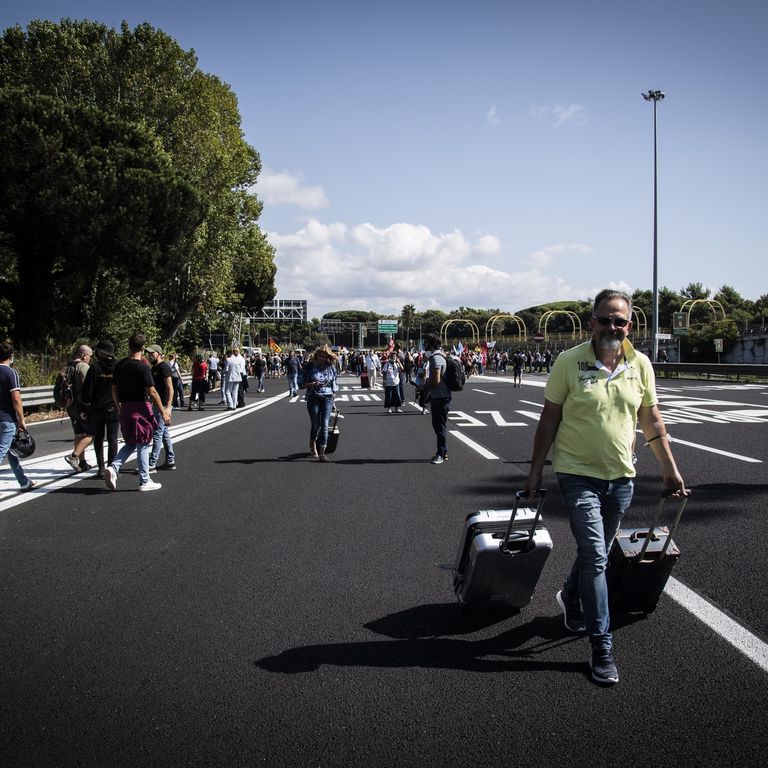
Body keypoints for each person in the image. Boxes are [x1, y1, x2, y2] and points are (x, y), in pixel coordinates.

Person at [524, 289, 688, 686]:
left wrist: (670, 470)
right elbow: (549, 420)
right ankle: (602, 647)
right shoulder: (568, 361)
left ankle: (570, 595)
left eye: (620, 321)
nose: (612, 327)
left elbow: (651, 420)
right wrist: (535, 472)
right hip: (576, 474)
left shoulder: (640, 364)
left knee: (593, 551)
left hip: (622, 478)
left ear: (629, 325)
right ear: (591, 322)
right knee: (597, 557)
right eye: (605, 319)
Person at [104, 333, 170, 492]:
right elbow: (152, 391)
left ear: (129, 346)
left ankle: (114, 467)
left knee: (131, 442)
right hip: (141, 407)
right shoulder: (143, 367)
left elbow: (114, 389)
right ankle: (144, 480)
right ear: (142, 348)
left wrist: (119, 406)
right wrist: (163, 412)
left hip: (125, 408)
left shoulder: (120, 365)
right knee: (144, 443)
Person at [81, 340, 119, 479]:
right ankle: (112, 468)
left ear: (102, 353)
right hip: (114, 407)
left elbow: (87, 390)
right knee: (113, 439)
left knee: (98, 438)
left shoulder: (95, 367)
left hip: (97, 408)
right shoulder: (118, 366)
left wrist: (85, 407)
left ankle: (101, 468)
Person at [0, 342, 35, 491]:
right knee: (2, 450)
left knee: (12, 451)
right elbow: (16, 399)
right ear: (11, 356)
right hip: (7, 419)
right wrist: (22, 420)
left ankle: (24, 482)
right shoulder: (10, 372)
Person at [416, 334, 451, 464]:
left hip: (440, 397)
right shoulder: (440, 356)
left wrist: (423, 387)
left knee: (439, 427)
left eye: (426, 342)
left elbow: (436, 380)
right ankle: (443, 452)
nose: (424, 344)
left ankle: (441, 454)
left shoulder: (436, 358)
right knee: (439, 426)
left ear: (431, 344)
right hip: (441, 396)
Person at [300, 346, 338, 462]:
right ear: (317, 356)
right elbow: (301, 384)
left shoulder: (331, 367)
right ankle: (312, 443)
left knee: (325, 424)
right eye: (321, 356)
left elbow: (334, 384)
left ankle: (322, 453)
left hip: (328, 397)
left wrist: (334, 401)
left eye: (325, 357)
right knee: (315, 425)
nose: (323, 359)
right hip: (314, 397)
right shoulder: (309, 367)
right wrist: (313, 384)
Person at [145, 345, 177, 472]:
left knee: (157, 433)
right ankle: (170, 460)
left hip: (163, 405)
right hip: (157, 404)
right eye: (148, 354)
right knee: (164, 433)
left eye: (151, 353)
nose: (149, 356)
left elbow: (170, 388)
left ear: (158, 354)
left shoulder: (164, 367)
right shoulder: (154, 368)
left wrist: (168, 407)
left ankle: (151, 464)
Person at [64, 343, 94, 472]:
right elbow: (89, 386)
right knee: (92, 433)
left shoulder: (68, 366)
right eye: (90, 356)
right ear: (85, 355)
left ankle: (82, 462)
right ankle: (73, 456)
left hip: (70, 405)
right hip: (82, 406)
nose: (90, 359)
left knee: (78, 433)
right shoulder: (83, 366)